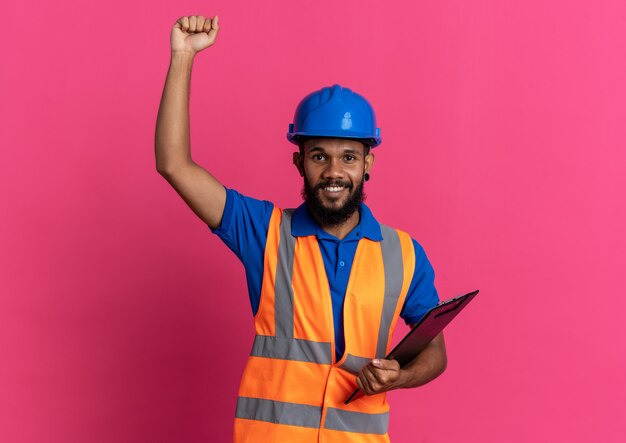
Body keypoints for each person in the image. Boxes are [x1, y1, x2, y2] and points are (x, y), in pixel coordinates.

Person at [155, 15, 448, 443]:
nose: (334, 171)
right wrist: (182, 57)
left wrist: (400, 375)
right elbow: (174, 164)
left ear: (368, 164)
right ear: (300, 162)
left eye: (349, 157)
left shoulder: (403, 253)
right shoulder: (265, 232)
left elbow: (435, 351)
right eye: (318, 156)